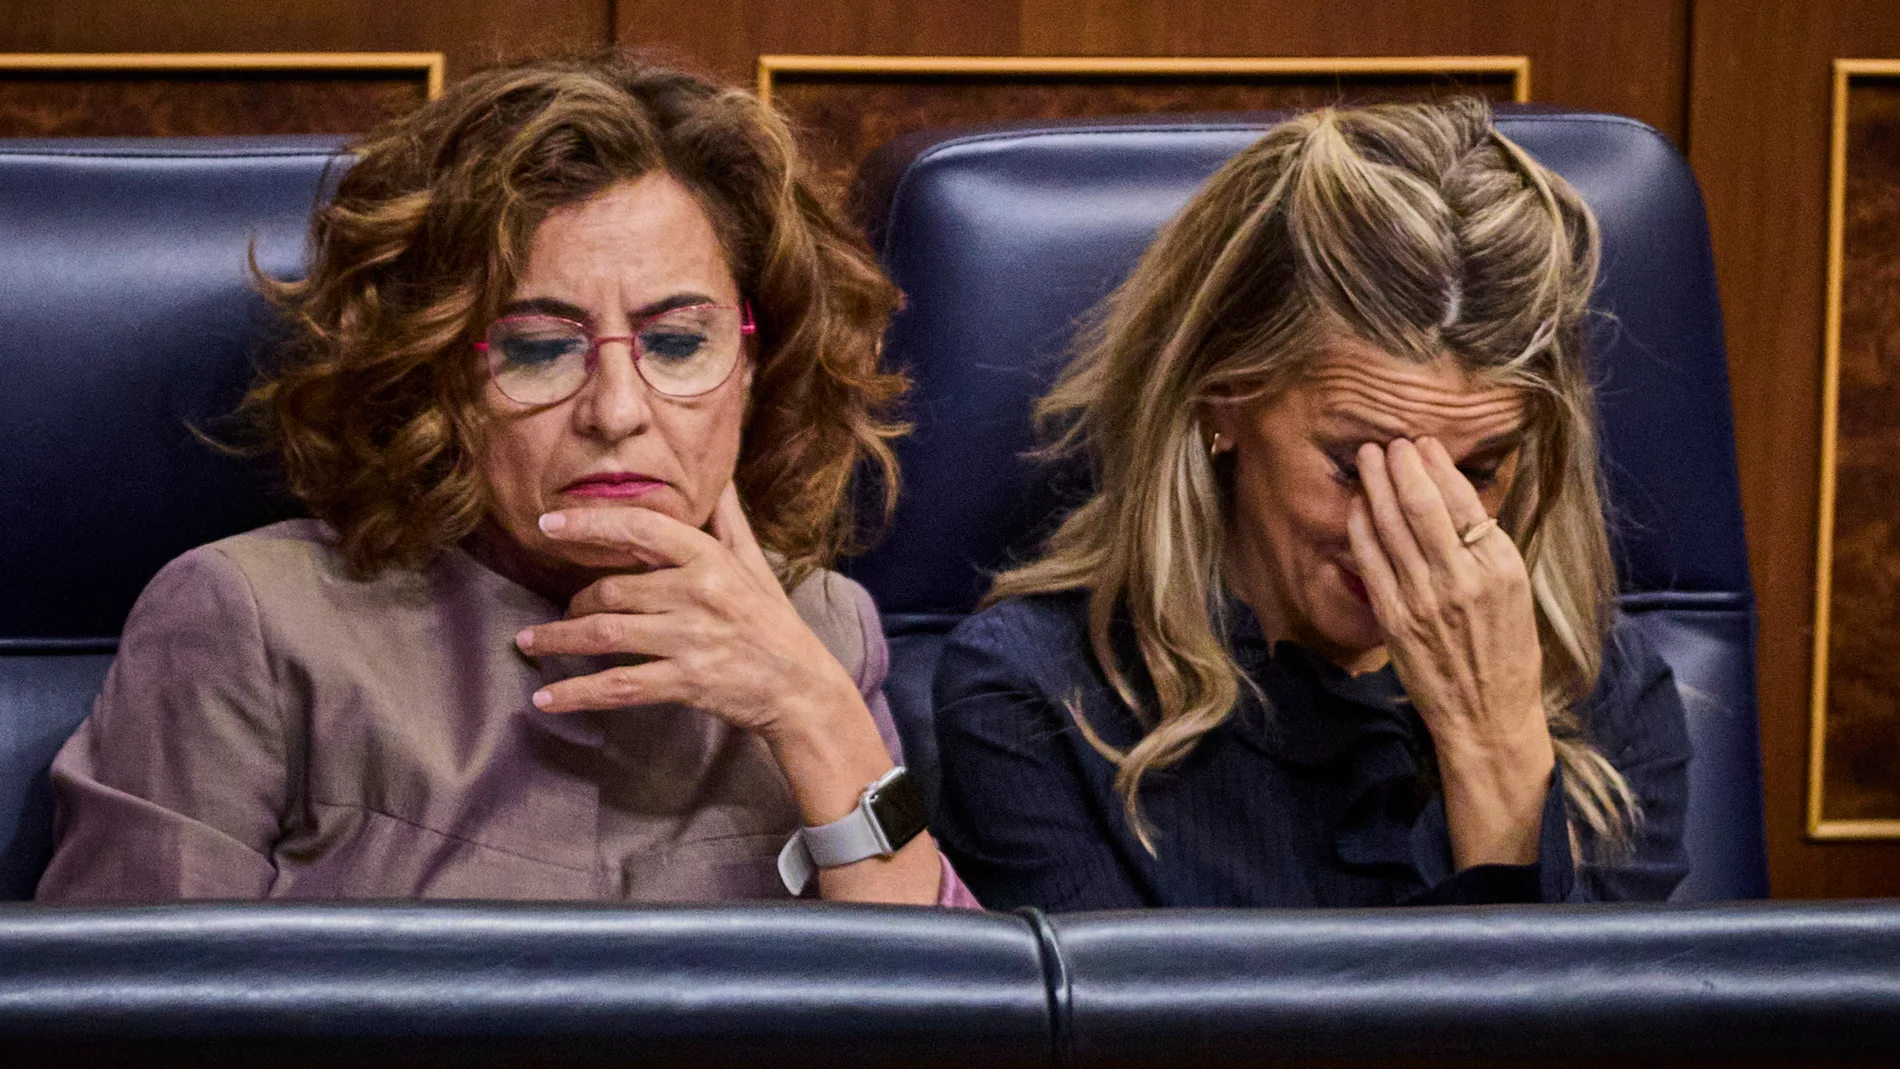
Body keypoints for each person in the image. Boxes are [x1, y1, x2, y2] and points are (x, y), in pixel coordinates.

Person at [38, 53, 972, 907]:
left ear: (752, 369)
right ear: (437, 371)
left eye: (680, 342)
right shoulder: (248, 625)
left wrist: (814, 714)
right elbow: (116, 1019)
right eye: (536, 349)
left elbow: (941, 1021)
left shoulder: (819, 627)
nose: (616, 410)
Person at [929, 98, 1691, 910]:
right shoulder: (1035, 697)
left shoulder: (1606, 692)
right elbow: (1134, 1040)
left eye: (1480, 470)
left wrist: (1493, 748)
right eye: (1357, 464)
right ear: (1223, 399)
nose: (1413, 523)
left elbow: (1570, 1032)